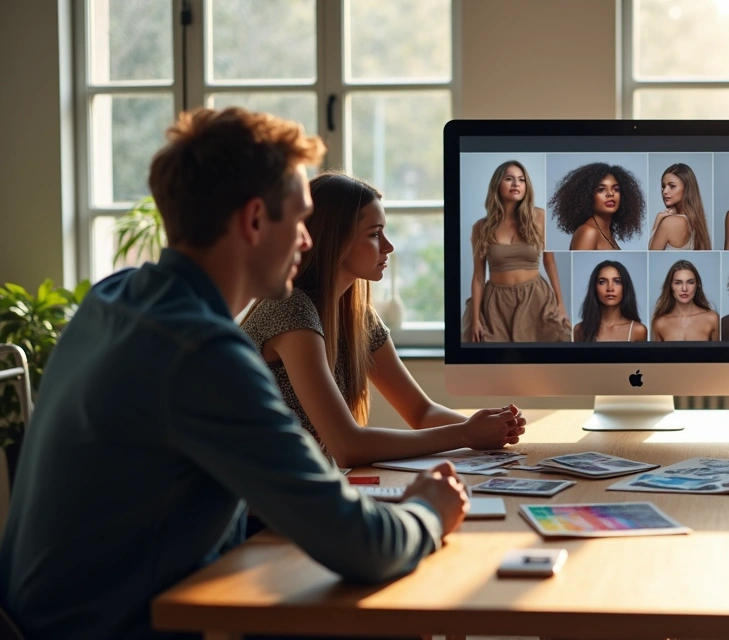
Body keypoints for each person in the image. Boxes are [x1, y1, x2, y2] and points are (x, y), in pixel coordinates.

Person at [0, 108, 470, 639]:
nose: (308, 241)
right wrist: (428, 510)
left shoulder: (112, 299)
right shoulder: (202, 354)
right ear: (254, 221)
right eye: (299, 220)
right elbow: (363, 546)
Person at [240, 171, 526, 469]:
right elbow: (347, 446)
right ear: (334, 240)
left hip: (303, 485)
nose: (388, 246)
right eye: (374, 234)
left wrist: (488, 429)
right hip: (259, 493)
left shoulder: (356, 315)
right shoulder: (291, 310)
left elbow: (422, 413)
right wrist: (466, 434)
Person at [462, 160, 571, 342]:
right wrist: (475, 320)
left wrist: (561, 304)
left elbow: (550, 262)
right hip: (496, 305)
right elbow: (479, 277)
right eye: (509, 179)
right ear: (497, 184)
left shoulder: (540, 218)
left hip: (536, 299)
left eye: (521, 180)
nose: (516, 184)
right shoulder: (481, 227)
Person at [550, 162, 646, 250]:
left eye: (616, 189)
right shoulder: (588, 232)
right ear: (586, 196)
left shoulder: (606, 232)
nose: (610, 194)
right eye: (601, 189)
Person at [573, 260, 648, 342]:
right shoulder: (580, 330)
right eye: (602, 282)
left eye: (617, 282)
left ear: (625, 287)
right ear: (594, 288)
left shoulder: (638, 330)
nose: (610, 288)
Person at [651, 259, 719, 341]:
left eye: (690, 282)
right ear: (670, 286)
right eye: (678, 283)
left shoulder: (712, 319)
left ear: (697, 285)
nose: (684, 288)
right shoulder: (659, 322)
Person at [648, 163, 711, 250]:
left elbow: (651, 253)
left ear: (687, 188)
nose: (665, 191)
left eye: (672, 186)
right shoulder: (697, 223)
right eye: (663, 186)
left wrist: (658, 221)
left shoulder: (669, 223)